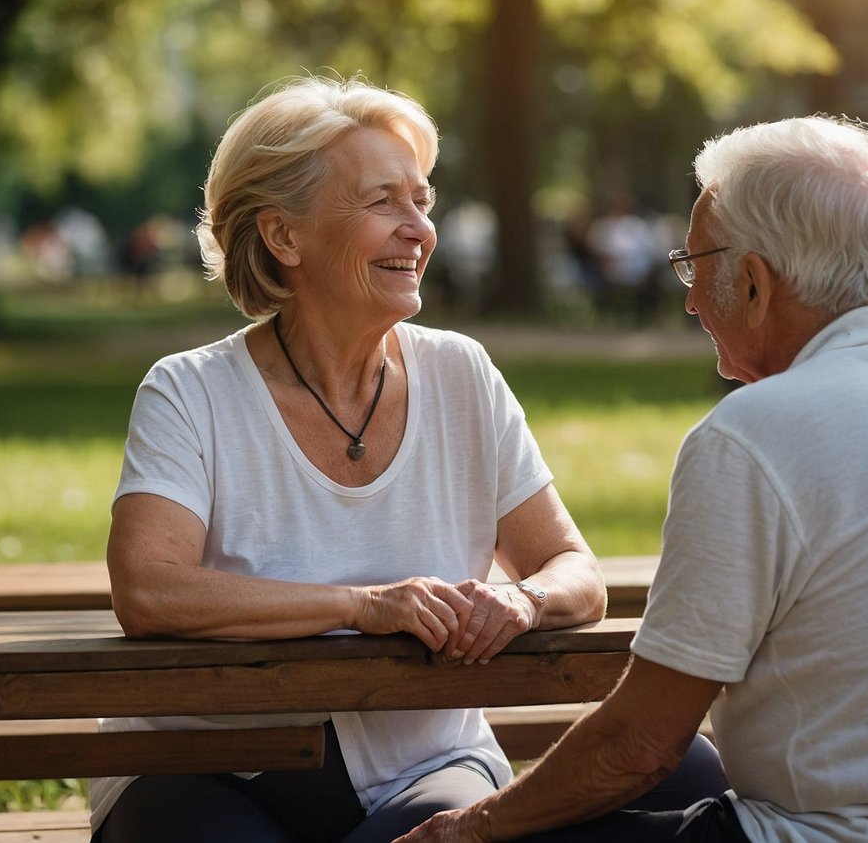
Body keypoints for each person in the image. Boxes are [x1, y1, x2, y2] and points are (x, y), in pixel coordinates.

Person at [88, 76, 726, 843]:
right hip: (210, 765)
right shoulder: (190, 391)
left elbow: (573, 571)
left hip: (423, 766)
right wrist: (363, 606)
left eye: (422, 201)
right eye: (382, 201)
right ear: (283, 237)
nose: (418, 229)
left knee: (684, 768)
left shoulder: (461, 373)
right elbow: (152, 591)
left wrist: (521, 601)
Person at [396, 115, 868, 842]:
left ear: (753, 282)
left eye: (695, 263)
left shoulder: (752, 432)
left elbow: (640, 745)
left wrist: (468, 829)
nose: (688, 298)